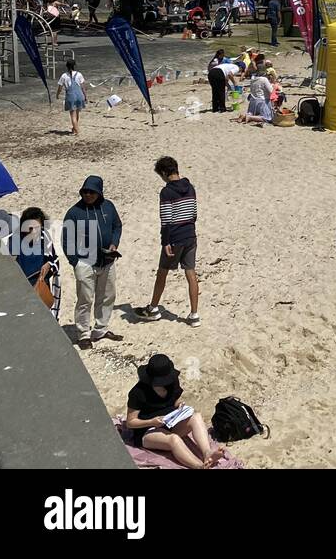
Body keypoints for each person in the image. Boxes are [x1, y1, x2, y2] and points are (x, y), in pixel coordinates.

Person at [124, 354, 226, 468]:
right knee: (174, 439)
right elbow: (130, 422)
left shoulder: (172, 383)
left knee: (196, 417)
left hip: (170, 422)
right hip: (147, 431)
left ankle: (207, 452)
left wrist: (179, 405)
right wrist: (152, 422)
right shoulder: (138, 392)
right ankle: (199, 466)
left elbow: (175, 400)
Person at [135, 157, 200, 326]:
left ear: (164, 173)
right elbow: (194, 213)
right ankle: (194, 315)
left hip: (175, 237)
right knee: (191, 273)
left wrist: (166, 242)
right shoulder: (190, 187)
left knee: (162, 272)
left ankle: (153, 308)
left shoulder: (167, 192)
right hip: (190, 235)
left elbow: (166, 220)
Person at [62, 175, 124, 349]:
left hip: (108, 260)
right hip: (84, 263)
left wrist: (114, 243)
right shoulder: (74, 212)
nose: (88, 195)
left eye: (92, 192)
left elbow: (117, 226)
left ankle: (101, 329)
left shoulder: (109, 206)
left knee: (107, 296)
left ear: (99, 192)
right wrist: (75, 262)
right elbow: (66, 239)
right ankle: (83, 334)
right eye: (85, 191)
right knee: (85, 299)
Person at [12, 206, 61, 319]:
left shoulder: (45, 238)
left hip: (40, 289)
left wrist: (49, 265)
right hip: (20, 291)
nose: (33, 231)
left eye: (37, 227)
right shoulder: (14, 240)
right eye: (29, 228)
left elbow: (54, 260)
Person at [56, 58, 87, 135]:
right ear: (74, 65)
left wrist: (57, 94)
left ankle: (77, 131)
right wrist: (85, 96)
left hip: (71, 96)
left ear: (66, 66)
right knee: (77, 114)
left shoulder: (64, 76)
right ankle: (74, 128)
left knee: (72, 115)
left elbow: (60, 87)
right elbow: (83, 87)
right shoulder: (79, 74)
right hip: (80, 95)